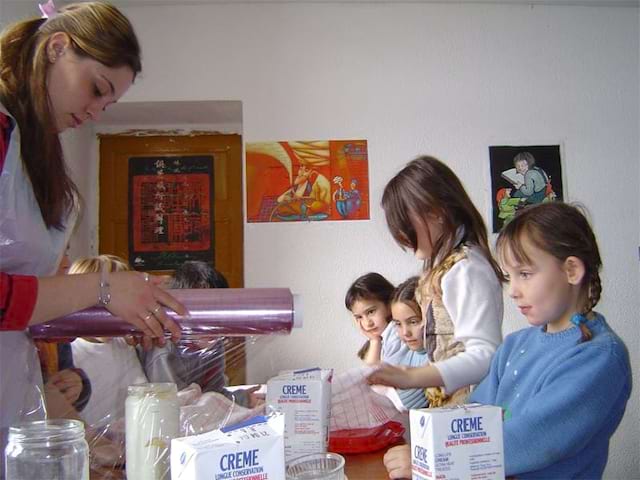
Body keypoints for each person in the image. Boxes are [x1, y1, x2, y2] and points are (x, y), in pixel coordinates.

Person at [0, 1, 186, 469]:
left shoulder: (31, 153)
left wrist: (124, 310)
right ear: (57, 48)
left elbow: (26, 305)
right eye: (96, 89)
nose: (97, 112)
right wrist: (102, 287)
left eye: (109, 103)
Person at [369, 156, 503, 406]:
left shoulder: (466, 268)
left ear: (436, 212)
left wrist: (412, 376)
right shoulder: (441, 267)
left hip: (470, 410)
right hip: (449, 407)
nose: (400, 234)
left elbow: (486, 354)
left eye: (404, 223)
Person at [139, 261, 263, 408]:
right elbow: (171, 404)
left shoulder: (214, 345)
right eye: (199, 310)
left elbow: (214, 393)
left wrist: (242, 398)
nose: (210, 320)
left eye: (218, 310)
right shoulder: (163, 348)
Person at [385, 276, 429, 410]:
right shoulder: (407, 354)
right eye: (398, 324)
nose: (405, 332)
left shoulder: (436, 357)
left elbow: (403, 404)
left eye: (413, 322)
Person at [344, 272, 395, 364]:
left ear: (389, 304)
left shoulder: (396, 334)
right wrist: (375, 340)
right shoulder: (381, 338)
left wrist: (375, 341)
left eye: (371, 312)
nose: (367, 323)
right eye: (359, 317)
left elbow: (372, 373)